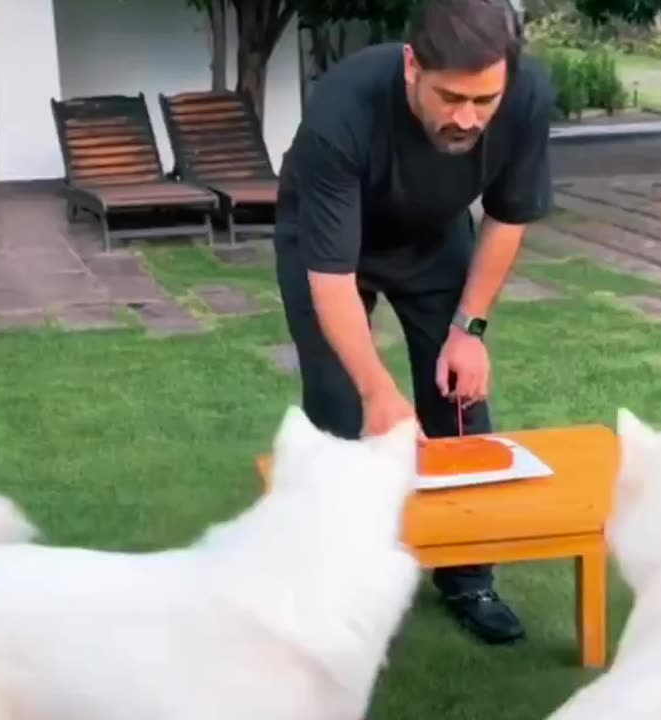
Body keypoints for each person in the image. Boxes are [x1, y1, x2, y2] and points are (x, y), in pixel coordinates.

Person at [271, 0, 555, 645]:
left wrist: (470, 330)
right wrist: (377, 389)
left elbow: (509, 217)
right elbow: (333, 278)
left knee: (458, 399)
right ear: (411, 67)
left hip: (432, 236)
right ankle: (342, 581)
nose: (467, 118)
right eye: (450, 97)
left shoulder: (528, 94)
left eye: (484, 102)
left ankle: (468, 578)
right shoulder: (341, 111)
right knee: (341, 405)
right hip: (327, 244)